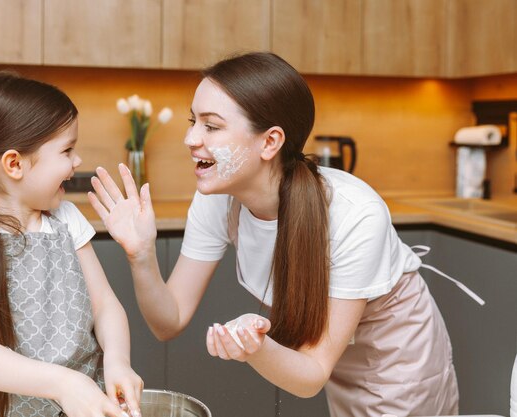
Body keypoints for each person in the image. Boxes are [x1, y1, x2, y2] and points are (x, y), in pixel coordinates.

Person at [87, 52, 459, 417]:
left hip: (395, 359)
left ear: (270, 142)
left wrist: (254, 348)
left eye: (211, 126)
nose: (190, 138)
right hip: (326, 355)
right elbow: (168, 321)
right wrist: (141, 255)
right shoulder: (218, 198)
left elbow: (311, 376)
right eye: (192, 121)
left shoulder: (355, 214)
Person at [0, 72, 142, 417]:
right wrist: (63, 383)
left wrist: (117, 361)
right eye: (67, 150)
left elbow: (105, 306)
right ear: (14, 164)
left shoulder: (65, 220)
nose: (76, 161)